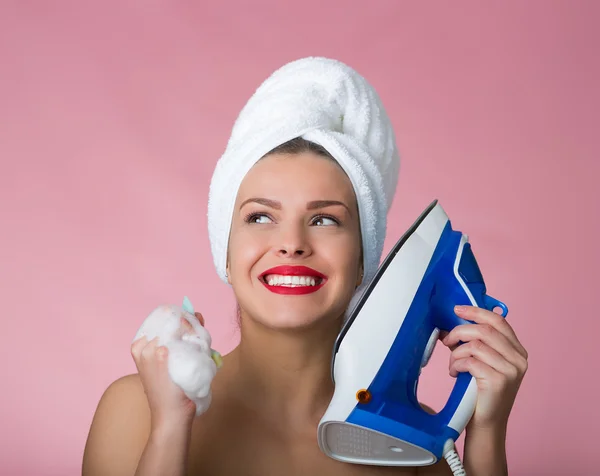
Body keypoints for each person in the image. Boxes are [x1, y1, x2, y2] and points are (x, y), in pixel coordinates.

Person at [82, 58, 528, 476]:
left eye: (324, 220)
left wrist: (486, 432)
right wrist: (170, 430)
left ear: (363, 260)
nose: (292, 244)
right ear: (226, 250)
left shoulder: (410, 443)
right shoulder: (136, 411)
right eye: (260, 217)